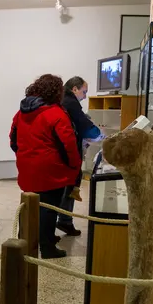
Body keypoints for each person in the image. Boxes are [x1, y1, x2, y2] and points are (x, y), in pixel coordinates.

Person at [10, 74, 81, 259]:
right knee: (49, 209)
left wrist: (24, 156)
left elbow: (13, 140)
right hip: (51, 171)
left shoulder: (21, 112)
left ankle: (23, 241)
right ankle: (47, 247)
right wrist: (74, 167)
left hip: (26, 167)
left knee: (28, 206)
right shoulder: (56, 113)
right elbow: (69, 146)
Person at [57, 76, 103, 236]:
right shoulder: (70, 103)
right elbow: (84, 124)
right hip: (67, 155)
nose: (85, 96)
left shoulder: (62, 101)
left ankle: (64, 221)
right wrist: (101, 135)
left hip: (60, 154)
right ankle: (64, 221)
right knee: (68, 188)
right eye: (84, 92)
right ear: (74, 89)